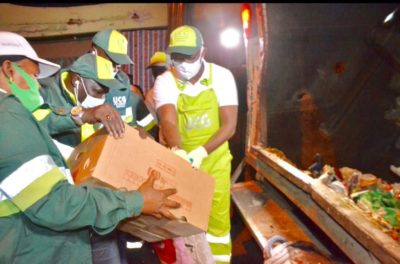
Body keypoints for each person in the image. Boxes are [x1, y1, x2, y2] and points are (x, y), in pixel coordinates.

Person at [0, 31, 180, 263]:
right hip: (42, 241)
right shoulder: (9, 115)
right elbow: (55, 204)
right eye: (34, 76)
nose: (36, 85)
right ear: (9, 70)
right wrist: (137, 201)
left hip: (79, 216)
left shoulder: (12, 113)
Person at [154, 25, 238, 263]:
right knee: (184, 225)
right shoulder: (165, 81)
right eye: (177, 56)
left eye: (188, 56)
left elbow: (229, 125)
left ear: (202, 51)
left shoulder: (222, 77)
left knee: (217, 225)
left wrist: (201, 152)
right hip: (183, 166)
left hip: (215, 163)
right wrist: (179, 150)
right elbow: (168, 120)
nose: (181, 63)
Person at [90, 28, 156, 137]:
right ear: (94, 52)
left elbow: (151, 132)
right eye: (113, 60)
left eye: (120, 61)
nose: (117, 67)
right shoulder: (77, 90)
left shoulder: (131, 97)